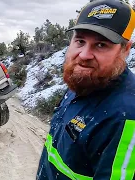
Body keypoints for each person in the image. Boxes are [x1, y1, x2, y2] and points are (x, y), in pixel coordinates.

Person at [36, 0, 135, 179]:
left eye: (101, 45)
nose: (84, 55)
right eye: (80, 41)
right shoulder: (84, 81)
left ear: (125, 49)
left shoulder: (127, 117)